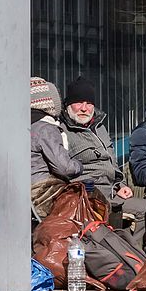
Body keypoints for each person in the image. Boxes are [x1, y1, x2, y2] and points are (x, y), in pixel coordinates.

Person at [59, 76, 146, 242]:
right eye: (78, 103)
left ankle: (133, 255)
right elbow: (63, 171)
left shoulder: (99, 127)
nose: (84, 108)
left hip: (112, 191)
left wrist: (120, 185)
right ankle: (126, 255)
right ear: (68, 104)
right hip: (89, 196)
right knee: (135, 213)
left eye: (89, 103)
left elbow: (111, 161)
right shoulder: (62, 131)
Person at [30, 77, 82, 219]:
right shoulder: (46, 128)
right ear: (48, 103)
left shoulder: (27, 126)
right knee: (94, 198)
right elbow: (65, 168)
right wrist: (79, 165)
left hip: (28, 191)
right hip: (43, 192)